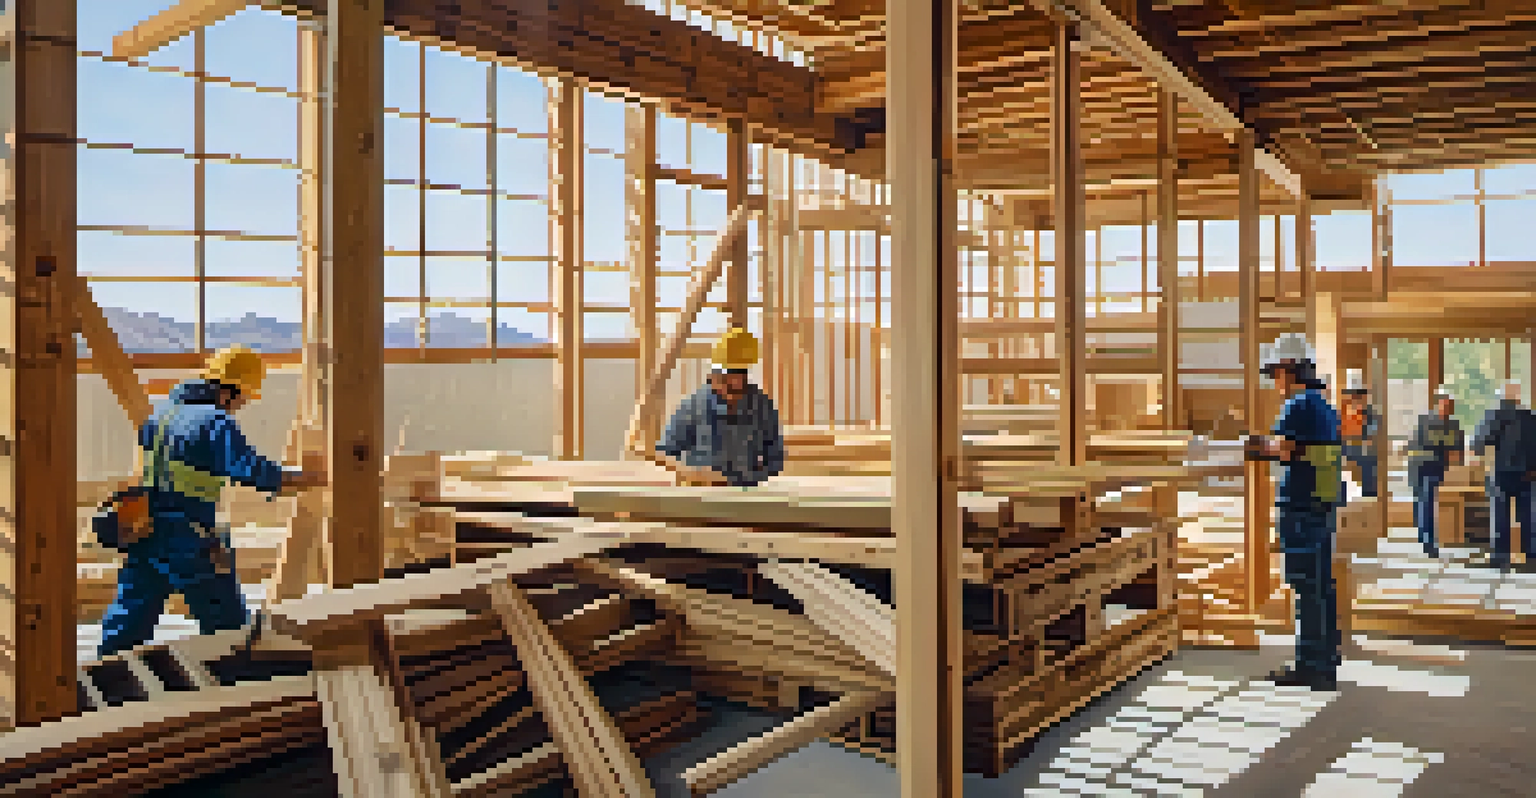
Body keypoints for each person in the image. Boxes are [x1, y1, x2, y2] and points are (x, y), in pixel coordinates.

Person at [99, 346, 328, 657]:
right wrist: (309, 478)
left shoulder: (163, 413)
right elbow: (250, 470)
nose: (243, 405)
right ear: (234, 391)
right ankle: (241, 682)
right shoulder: (215, 421)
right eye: (245, 397)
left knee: (130, 616)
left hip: (145, 529)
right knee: (227, 623)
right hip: (189, 538)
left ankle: (105, 679)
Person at [1245, 333, 1343, 691]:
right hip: (1321, 503)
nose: (1275, 382)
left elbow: (1285, 451)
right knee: (1320, 585)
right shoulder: (1324, 405)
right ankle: (1325, 659)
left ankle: (1311, 666)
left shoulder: (1298, 405)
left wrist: (1256, 447)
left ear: (1291, 370)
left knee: (1306, 586)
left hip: (1302, 506)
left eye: (1276, 374)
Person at [657, 328, 785, 487]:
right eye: (726, 382)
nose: (732, 390)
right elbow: (665, 453)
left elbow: (775, 459)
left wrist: (752, 477)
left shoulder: (761, 407)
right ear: (714, 378)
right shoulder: (692, 408)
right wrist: (694, 475)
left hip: (745, 498)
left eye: (738, 383)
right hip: (702, 496)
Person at [1471, 381, 1536, 572]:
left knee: (1500, 516)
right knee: (1528, 517)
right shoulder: (1530, 416)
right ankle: (1531, 559)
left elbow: (1478, 444)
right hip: (1528, 473)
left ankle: (1501, 559)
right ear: (1518, 397)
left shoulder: (1494, 415)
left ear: (1500, 396)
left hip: (1500, 472)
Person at [1407, 386, 1464, 559]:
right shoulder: (1425, 420)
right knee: (1421, 501)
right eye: (1444, 404)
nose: (1446, 408)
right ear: (1438, 403)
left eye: (1449, 405)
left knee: (1427, 501)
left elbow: (1457, 446)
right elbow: (1431, 441)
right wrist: (1446, 446)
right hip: (1419, 464)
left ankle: (1428, 542)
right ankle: (1424, 537)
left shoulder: (1453, 424)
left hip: (1435, 466)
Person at [1340, 369, 1380, 498]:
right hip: (1345, 452)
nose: (1354, 398)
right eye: (1352, 395)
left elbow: (1373, 432)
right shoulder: (1341, 412)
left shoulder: (1370, 414)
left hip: (1364, 453)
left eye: (1358, 395)